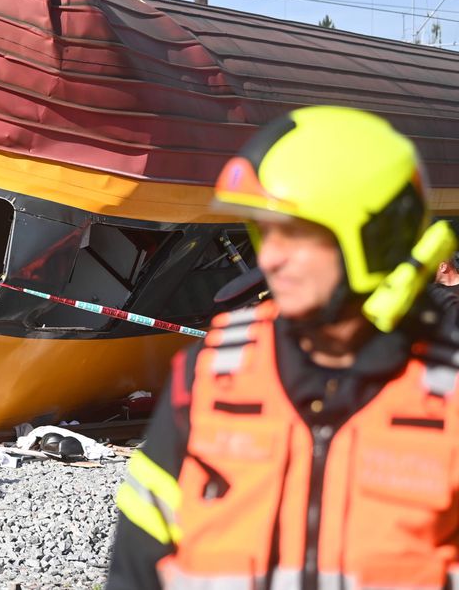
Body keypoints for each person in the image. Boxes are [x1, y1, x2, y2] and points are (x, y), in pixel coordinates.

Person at [108, 106, 459, 589]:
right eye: (265, 232)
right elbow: (135, 567)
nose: (270, 257)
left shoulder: (449, 397)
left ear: (375, 239)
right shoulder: (208, 377)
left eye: (296, 233)